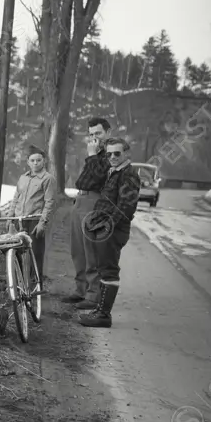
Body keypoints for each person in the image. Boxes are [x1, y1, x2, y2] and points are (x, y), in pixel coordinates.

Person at [78, 137, 142, 328]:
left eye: (117, 153)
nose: (112, 157)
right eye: (109, 154)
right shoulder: (113, 172)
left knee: (109, 271)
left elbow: (126, 207)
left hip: (113, 231)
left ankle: (104, 316)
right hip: (105, 229)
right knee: (103, 268)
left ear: (126, 154)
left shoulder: (128, 174)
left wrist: (107, 226)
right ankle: (100, 311)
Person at [65, 117, 112, 307]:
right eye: (91, 134)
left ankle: (93, 296)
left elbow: (100, 177)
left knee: (91, 251)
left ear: (108, 133)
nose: (94, 137)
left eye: (98, 133)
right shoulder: (95, 153)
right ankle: (81, 290)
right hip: (81, 199)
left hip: (94, 200)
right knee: (78, 250)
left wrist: (92, 155)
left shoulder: (111, 153)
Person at [8, 145, 55, 282]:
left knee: (35, 253)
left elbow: (49, 202)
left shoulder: (48, 179)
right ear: (28, 162)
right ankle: (20, 284)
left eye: (38, 160)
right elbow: (16, 198)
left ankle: (36, 283)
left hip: (35, 221)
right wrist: (11, 217)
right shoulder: (23, 178)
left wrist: (42, 223)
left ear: (44, 161)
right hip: (19, 220)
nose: (35, 163)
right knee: (17, 251)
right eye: (32, 160)